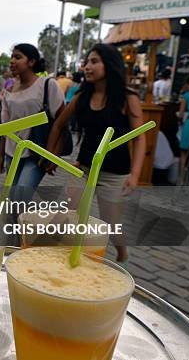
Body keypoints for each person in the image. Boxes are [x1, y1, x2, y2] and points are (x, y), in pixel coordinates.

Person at [47, 44, 146, 263]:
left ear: (109, 65)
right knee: (66, 214)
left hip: (115, 173)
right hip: (83, 168)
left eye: (94, 61)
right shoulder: (81, 97)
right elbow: (58, 124)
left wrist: (135, 175)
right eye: (86, 62)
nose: (87, 67)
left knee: (111, 222)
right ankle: (56, 256)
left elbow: (139, 137)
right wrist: (52, 156)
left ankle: (123, 253)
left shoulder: (127, 98)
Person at [0, 44, 64, 200]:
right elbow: (5, 128)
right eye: (11, 57)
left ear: (32, 62)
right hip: (10, 153)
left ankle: (17, 223)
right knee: (13, 199)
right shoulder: (9, 91)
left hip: (36, 153)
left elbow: (62, 123)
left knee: (21, 197)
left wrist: (53, 156)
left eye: (18, 57)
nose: (12, 61)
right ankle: (15, 224)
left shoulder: (47, 85)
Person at [178, 75, 189, 178]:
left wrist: (180, 121)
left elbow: (181, 113)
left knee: (184, 152)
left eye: (188, 84)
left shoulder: (187, 95)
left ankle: (182, 178)